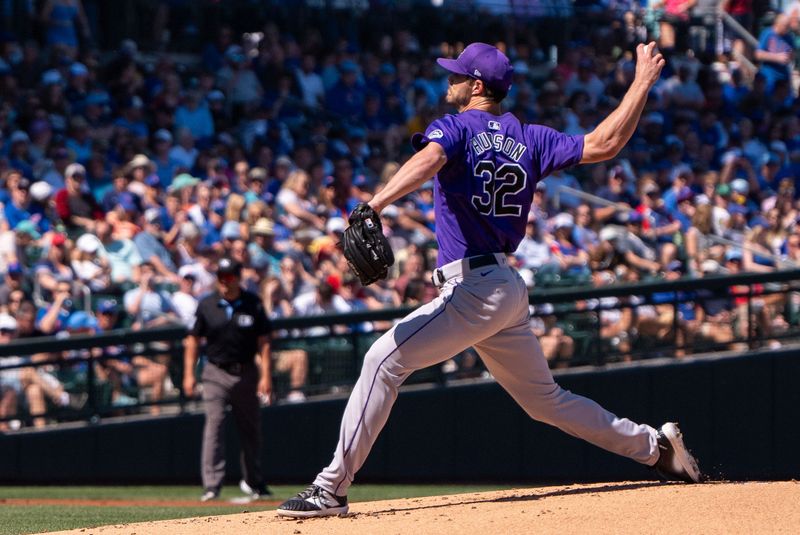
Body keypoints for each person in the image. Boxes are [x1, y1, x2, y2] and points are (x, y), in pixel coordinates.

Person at [278, 42, 701, 518]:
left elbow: (429, 159)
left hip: (473, 289)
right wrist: (642, 83)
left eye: (457, 75)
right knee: (546, 401)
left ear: (477, 86)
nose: (449, 81)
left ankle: (331, 487)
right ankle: (656, 448)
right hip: (504, 285)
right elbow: (605, 144)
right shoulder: (531, 137)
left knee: (382, 361)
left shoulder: (457, 127)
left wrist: (375, 204)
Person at [183, 258, 273, 502]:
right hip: (215, 372)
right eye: (221, 276)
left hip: (246, 373)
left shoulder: (252, 304)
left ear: (238, 278)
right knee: (215, 426)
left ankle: (254, 481)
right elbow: (192, 339)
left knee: (251, 429)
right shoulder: (207, 304)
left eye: (229, 277)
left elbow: (264, 341)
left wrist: (266, 375)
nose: (224, 281)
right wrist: (189, 374)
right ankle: (212, 485)